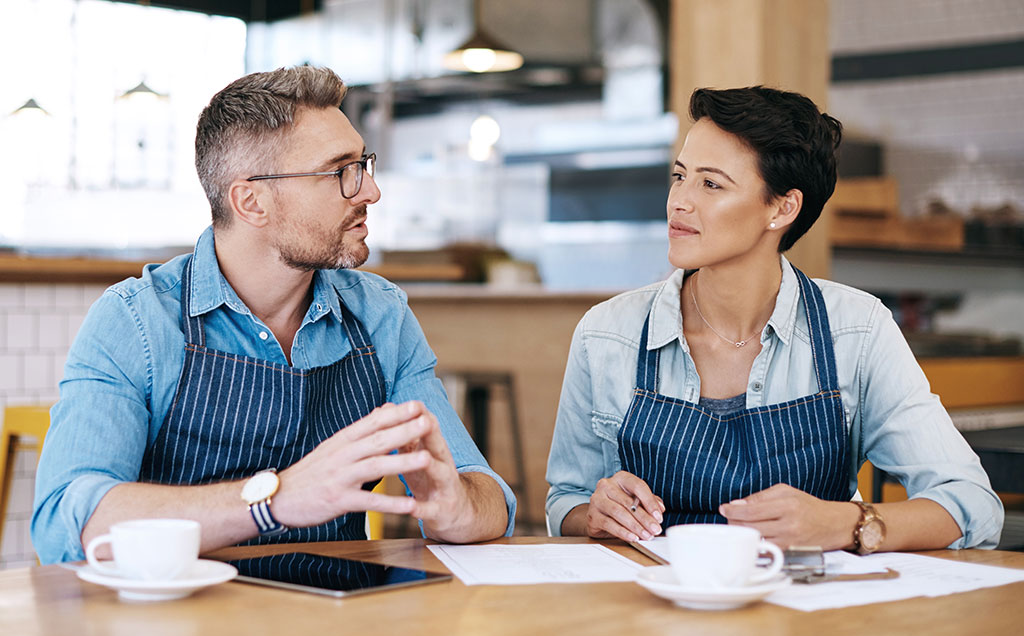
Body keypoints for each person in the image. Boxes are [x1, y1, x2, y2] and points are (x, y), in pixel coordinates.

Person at [32, 65, 515, 565]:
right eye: (341, 172)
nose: (370, 192)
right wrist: (276, 499)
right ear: (251, 201)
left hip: (337, 623)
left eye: (364, 165)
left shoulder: (380, 315)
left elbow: (488, 497)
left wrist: (455, 508)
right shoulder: (137, 320)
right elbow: (67, 522)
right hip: (176, 627)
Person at [546, 86, 1002, 552]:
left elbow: (971, 502)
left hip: (809, 612)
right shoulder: (606, 334)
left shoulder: (857, 330)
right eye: (679, 176)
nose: (678, 201)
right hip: (655, 606)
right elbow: (566, 501)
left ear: (782, 208)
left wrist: (848, 523)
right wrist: (595, 516)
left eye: (711, 184)